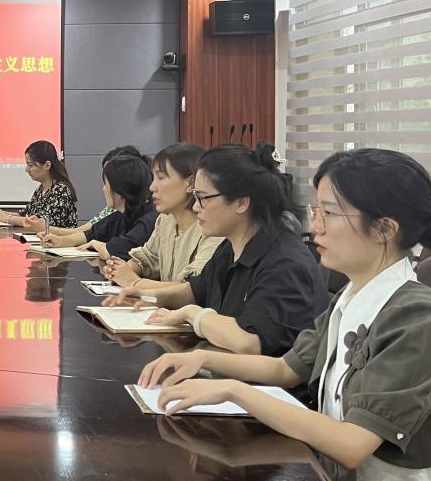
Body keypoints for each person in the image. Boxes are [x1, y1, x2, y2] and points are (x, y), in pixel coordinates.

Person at [138, 148, 431, 481]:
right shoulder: (350, 297)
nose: (315, 228)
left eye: (330, 214)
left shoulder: (414, 316)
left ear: (384, 228)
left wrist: (233, 390)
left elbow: (351, 443)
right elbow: (286, 368)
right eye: (316, 211)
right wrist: (200, 358)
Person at [104, 143, 327, 355]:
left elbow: (250, 341)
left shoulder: (284, 263)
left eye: (202, 198)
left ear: (241, 202)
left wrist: (192, 314)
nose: (195, 207)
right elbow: (195, 291)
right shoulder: (231, 247)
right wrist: (147, 296)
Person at [103, 142, 223, 290]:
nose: (152, 187)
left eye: (161, 177)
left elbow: (193, 288)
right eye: (153, 178)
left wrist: (133, 282)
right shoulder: (166, 220)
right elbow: (147, 258)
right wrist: (121, 271)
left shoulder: (213, 229)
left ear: (191, 182)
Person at [39, 154, 157, 260]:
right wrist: (60, 241)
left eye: (106, 184)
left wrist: (100, 246)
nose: (103, 189)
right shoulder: (120, 215)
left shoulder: (149, 220)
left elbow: (120, 248)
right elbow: (89, 234)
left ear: (120, 189)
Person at [0, 140, 78, 229]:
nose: (27, 170)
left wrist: (6, 218)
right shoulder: (40, 190)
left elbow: (37, 222)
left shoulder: (61, 190)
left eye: (30, 165)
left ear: (47, 165)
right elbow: (26, 215)